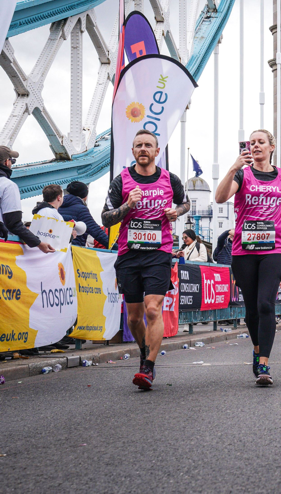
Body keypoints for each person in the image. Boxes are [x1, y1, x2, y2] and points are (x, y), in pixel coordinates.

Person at [214, 128, 281, 386]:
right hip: (244, 252)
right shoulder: (242, 174)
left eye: (261, 142)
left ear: (271, 147)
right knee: (252, 309)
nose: (255, 146)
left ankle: (264, 362)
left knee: (266, 304)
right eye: (252, 142)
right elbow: (220, 197)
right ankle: (256, 348)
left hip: (274, 249)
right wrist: (233, 167)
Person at [101, 130, 191, 389]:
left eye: (148, 145)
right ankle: (144, 351)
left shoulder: (169, 179)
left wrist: (176, 212)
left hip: (158, 253)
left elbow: (185, 204)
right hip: (129, 254)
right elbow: (106, 218)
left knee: (153, 309)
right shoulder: (122, 181)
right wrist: (128, 205)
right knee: (133, 318)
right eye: (138, 145)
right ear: (132, 151)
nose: (143, 149)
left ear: (156, 151)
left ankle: (148, 367)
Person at [0, 146, 53, 252]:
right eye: (12, 161)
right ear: (6, 162)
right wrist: (38, 243)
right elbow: (13, 223)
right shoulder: (8, 185)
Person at [59, 180, 108, 248]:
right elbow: (96, 232)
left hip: (54, 248)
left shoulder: (57, 205)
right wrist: (115, 247)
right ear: (85, 196)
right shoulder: (81, 209)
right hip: (72, 250)